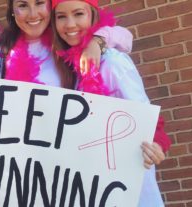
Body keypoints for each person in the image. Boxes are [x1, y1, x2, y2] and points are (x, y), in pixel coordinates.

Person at [0, 0, 133, 131]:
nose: (33, 14)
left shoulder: (69, 38)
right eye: (23, 5)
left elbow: (125, 38)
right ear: (12, 11)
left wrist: (96, 41)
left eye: (39, 3)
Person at [50, 0, 170, 206]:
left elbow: (144, 113)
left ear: (92, 15)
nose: (70, 24)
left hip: (129, 181)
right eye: (61, 16)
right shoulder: (70, 65)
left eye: (78, 14)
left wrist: (158, 143)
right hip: (97, 181)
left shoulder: (113, 63)